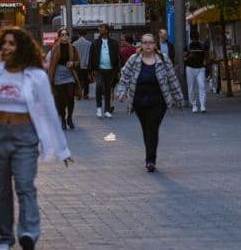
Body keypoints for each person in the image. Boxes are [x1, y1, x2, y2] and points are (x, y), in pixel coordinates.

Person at [0, 27, 73, 250]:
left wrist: (62, 149)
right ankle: (5, 236)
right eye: (3, 43)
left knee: (25, 185)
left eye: (12, 44)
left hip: (25, 137)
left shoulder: (37, 76)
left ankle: (28, 233)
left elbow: (50, 111)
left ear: (22, 47)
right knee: (0, 190)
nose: (6, 48)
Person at [116, 33, 186, 172]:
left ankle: (150, 160)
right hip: (139, 101)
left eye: (150, 42)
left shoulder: (163, 60)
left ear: (155, 45)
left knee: (152, 127)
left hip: (158, 101)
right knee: (146, 128)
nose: (148, 45)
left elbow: (172, 79)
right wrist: (121, 92)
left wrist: (178, 98)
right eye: (145, 42)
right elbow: (125, 76)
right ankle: (150, 156)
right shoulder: (134, 59)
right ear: (141, 45)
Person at [45, 28, 81, 130]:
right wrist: (50, 77)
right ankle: (63, 119)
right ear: (59, 37)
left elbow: (78, 62)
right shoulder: (55, 48)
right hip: (58, 75)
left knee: (70, 95)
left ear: (69, 37)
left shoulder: (73, 48)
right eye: (62, 35)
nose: (65, 37)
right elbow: (51, 63)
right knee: (61, 99)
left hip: (69, 74)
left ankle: (70, 118)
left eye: (66, 35)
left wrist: (73, 63)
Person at [89, 24, 122, 119]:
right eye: (99, 28)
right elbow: (91, 57)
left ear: (107, 30)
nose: (99, 29)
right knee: (99, 85)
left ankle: (107, 110)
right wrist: (90, 70)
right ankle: (99, 107)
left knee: (108, 89)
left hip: (110, 70)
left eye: (102, 28)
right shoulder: (95, 43)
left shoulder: (114, 43)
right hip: (98, 69)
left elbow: (117, 57)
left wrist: (118, 70)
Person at [185, 30, 209, 113]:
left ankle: (202, 105)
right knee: (191, 87)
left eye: (196, 39)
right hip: (191, 67)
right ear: (191, 39)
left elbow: (206, 55)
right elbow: (184, 57)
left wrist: (205, 63)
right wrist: (188, 56)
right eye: (193, 39)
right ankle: (194, 105)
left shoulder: (201, 45)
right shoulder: (188, 46)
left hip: (198, 67)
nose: (194, 40)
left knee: (201, 86)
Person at [72, 30, 92, 99]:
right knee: (86, 80)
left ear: (79, 35)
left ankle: (79, 94)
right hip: (86, 65)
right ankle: (86, 94)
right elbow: (90, 55)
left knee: (79, 80)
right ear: (85, 35)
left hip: (78, 64)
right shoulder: (89, 43)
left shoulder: (74, 43)